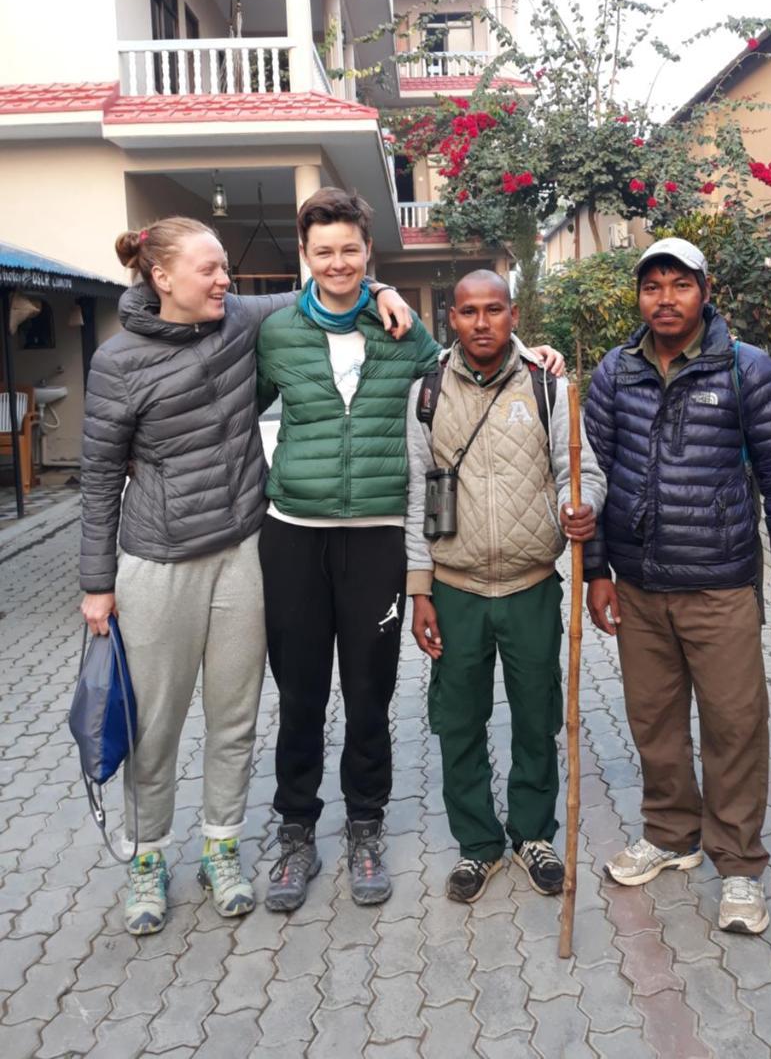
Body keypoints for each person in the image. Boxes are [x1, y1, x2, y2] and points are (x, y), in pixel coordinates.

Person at [80, 216, 409, 936]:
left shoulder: (238, 321)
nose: (226, 281)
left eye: (226, 268)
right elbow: (101, 476)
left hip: (241, 551)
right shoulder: (117, 362)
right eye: (211, 270)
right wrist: (96, 581)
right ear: (162, 277)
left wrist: (382, 286)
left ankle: (221, 847)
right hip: (157, 560)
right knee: (157, 724)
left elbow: (329, 284)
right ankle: (146, 857)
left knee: (234, 719)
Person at [256, 196, 565, 912]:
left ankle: (365, 828)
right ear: (306, 255)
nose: (337, 263)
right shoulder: (273, 331)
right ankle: (296, 832)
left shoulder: (405, 334)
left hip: (375, 539)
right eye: (323, 251)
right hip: (295, 532)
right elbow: (237, 402)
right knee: (299, 694)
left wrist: (538, 354)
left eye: (350, 251)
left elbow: (470, 363)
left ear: (371, 254)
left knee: (369, 693)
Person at [584, 237, 771, 936]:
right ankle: (671, 833)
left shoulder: (747, 371)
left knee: (735, 725)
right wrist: (596, 570)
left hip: (719, 584)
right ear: (639, 297)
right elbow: (586, 476)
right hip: (641, 585)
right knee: (653, 721)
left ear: (705, 291)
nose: (664, 298)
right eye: (651, 286)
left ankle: (740, 866)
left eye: (678, 284)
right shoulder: (615, 373)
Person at [404, 270, 606, 903]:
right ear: (453, 320)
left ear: (513, 314)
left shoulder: (549, 386)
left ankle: (533, 834)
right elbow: (416, 495)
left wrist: (582, 507)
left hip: (531, 585)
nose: (482, 322)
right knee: (458, 720)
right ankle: (477, 845)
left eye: (494, 309)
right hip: (457, 587)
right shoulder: (426, 393)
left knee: (536, 716)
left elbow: (580, 470)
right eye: (468, 312)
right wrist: (419, 590)